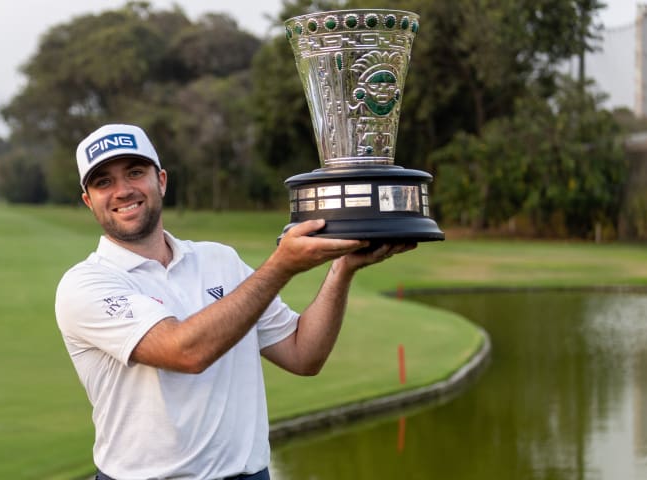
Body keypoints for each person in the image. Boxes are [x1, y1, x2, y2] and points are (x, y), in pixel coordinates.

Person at [54, 124, 415, 480]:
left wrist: (342, 269)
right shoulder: (85, 284)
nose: (122, 190)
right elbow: (185, 352)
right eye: (104, 182)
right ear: (89, 201)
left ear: (160, 180)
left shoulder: (220, 261)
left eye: (135, 172)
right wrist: (281, 266)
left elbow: (303, 354)